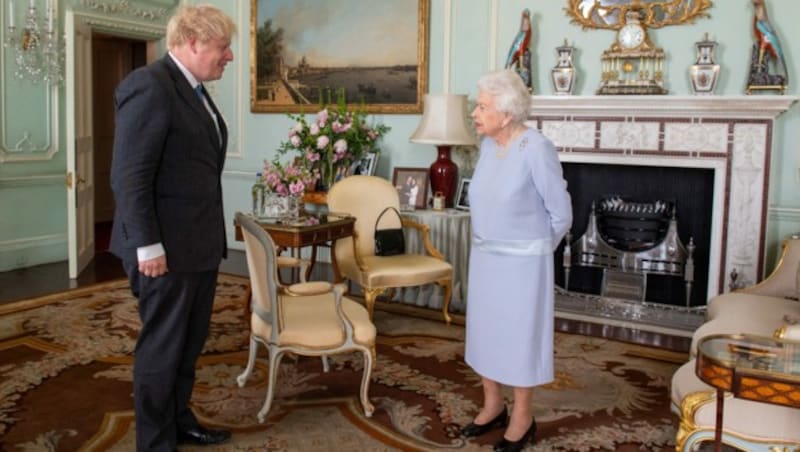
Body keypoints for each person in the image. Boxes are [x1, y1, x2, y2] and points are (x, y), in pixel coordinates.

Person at [109, 5, 235, 450]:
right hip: (163, 251)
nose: (230, 56)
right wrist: (147, 246)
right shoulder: (150, 86)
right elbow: (130, 176)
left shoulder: (192, 89)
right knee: (162, 351)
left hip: (196, 247)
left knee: (187, 346)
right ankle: (156, 441)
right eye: (223, 47)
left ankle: (179, 419)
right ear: (194, 41)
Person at [460, 69, 572, 452]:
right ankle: (493, 405)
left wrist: (536, 251)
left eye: (482, 106)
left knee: (520, 340)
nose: (474, 113)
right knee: (486, 333)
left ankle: (522, 417)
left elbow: (561, 213)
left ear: (506, 114)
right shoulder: (489, 146)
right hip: (486, 259)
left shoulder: (536, 148)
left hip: (524, 266)